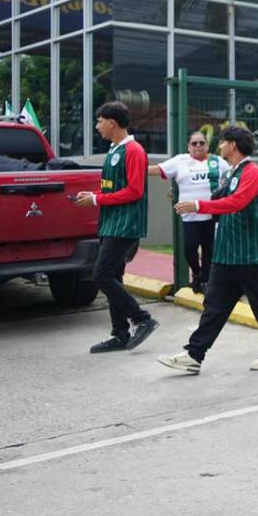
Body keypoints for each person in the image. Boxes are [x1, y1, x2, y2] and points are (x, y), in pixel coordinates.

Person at [159, 127, 258, 374]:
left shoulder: (252, 172)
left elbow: (237, 202)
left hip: (248, 251)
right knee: (215, 303)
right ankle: (194, 354)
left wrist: (197, 204)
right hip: (226, 251)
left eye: (223, 142)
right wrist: (191, 198)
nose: (219, 146)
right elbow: (218, 200)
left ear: (233, 145)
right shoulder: (232, 174)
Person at [76, 101, 159, 354]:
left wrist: (97, 199)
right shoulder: (114, 149)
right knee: (115, 277)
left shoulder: (134, 150)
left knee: (101, 276)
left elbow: (135, 191)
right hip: (111, 223)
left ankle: (142, 318)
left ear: (112, 122)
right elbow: (115, 188)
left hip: (125, 225)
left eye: (100, 121)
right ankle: (120, 334)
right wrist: (94, 194)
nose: (98, 126)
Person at [150, 131, 231, 294]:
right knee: (190, 247)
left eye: (202, 143)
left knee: (209, 249)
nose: (198, 146)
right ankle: (197, 272)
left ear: (208, 145)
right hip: (190, 216)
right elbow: (157, 170)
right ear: (188, 147)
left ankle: (206, 282)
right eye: (194, 143)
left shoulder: (218, 162)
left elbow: (232, 175)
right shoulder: (180, 161)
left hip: (212, 215)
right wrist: (130, 169)